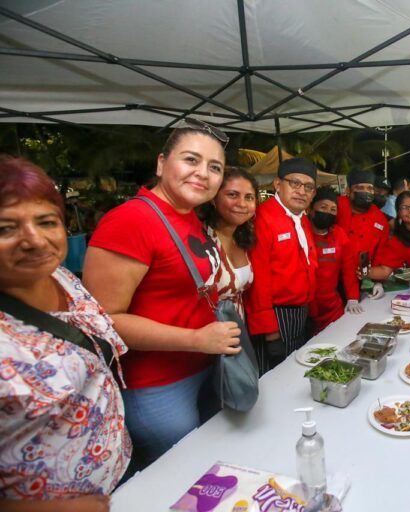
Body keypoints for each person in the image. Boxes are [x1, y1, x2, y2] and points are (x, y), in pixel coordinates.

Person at [83, 119, 237, 468]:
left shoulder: (189, 216)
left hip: (204, 367)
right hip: (156, 384)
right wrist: (196, 338)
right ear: (160, 163)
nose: (203, 173)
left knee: (212, 468)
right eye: (191, 160)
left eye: (215, 167)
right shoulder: (131, 220)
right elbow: (103, 322)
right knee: (183, 476)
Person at [0, 157, 131, 512]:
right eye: (6, 229)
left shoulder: (62, 277)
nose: (34, 240)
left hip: (118, 478)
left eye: (46, 222)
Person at [246, 157, 318, 371]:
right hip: (276, 317)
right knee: (274, 377)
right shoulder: (263, 218)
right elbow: (259, 280)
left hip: (300, 312)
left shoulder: (302, 218)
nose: (301, 191)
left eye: (308, 187)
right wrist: (271, 333)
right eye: (294, 183)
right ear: (278, 184)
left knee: (295, 373)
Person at [199, 167, 257, 319]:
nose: (242, 204)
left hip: (238, 329)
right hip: (205, 332)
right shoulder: (199, 239)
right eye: (233, 195)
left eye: (249, 197)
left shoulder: (243, 238)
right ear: (213, 197)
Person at [307, 187, 363, 335]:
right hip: (305, 309)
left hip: (332, 307)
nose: (328, 212)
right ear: (311, 209)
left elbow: (349, 268)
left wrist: (352, 297)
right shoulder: (301, 232)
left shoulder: (339, 234)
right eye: (323, 207)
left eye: (333, 209)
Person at [368, 191, 410, 294]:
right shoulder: (398, 241)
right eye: (404, 208)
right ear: (398, 213)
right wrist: (360, 270)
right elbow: (384, 271)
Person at [336, 169, 390, 268]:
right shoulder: (335, 207)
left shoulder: (380, 219)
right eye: (360, 188)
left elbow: (381, 252)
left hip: (362, 275)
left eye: (370, 188)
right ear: (348, 191)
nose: (365, 191)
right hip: (330, 272)